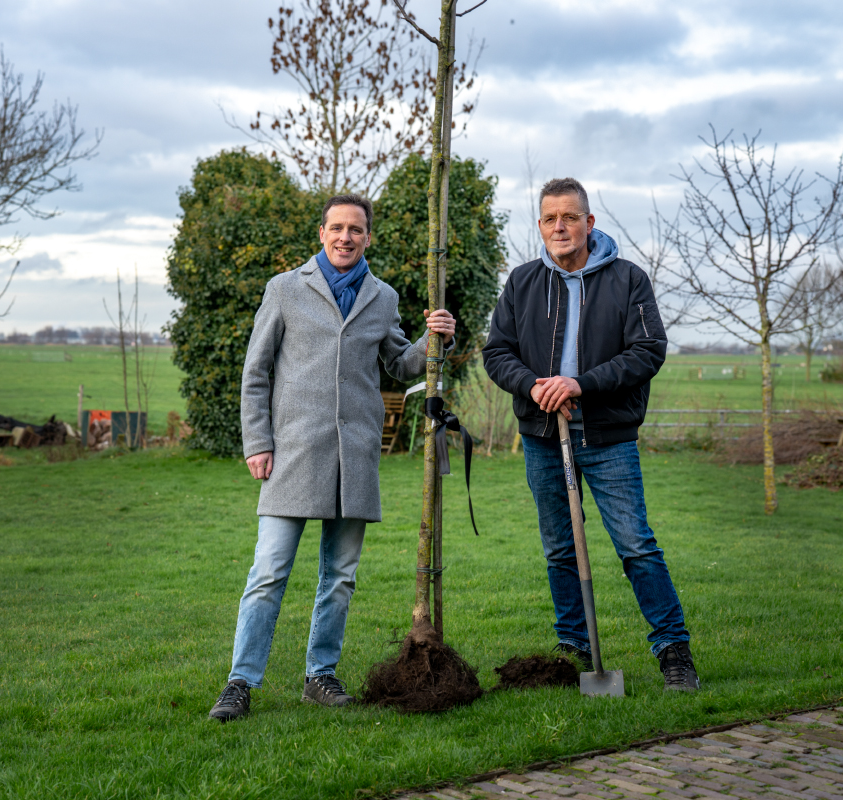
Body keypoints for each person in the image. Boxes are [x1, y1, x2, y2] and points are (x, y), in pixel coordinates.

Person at [208, 193, 457, 721]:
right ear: (321, 233)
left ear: (368, 237)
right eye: (337, 228)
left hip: (355, 456)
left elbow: (400, 364)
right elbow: (256, 373)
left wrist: (434, 340)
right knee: (269, 572)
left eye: (356, 229)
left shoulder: (382, 297)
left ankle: (320, 676)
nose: (346, 237)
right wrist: (258, 441)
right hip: (292, 453)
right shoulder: (284, 289)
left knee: (339, 577)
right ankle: (240, 681)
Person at [482, 177, 699, 692]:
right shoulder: (522, 282)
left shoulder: (629, 279)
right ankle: (573, 647)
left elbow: (648, 351)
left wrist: (579, 384)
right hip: (542, 435)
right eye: (551, 218)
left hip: (607, 437)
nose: (561, 227)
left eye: (570, 217)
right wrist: (534, 387)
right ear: (540, 225)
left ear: (589, 223)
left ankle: (673, 652)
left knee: (636, 546)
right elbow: (497, 352)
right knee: (559, 548)